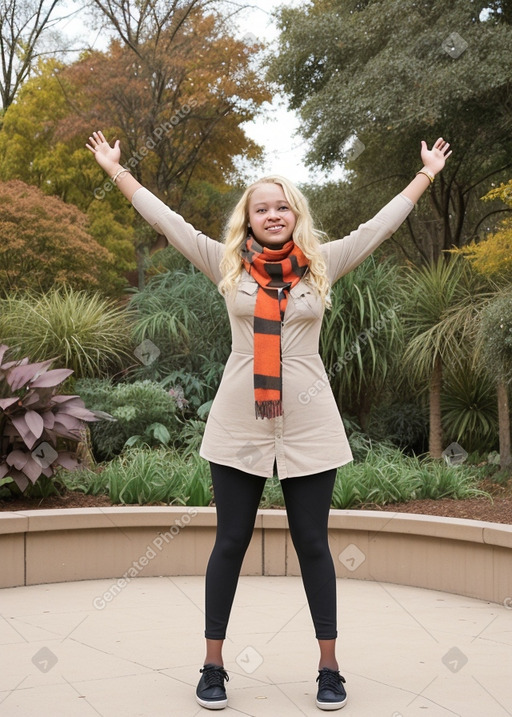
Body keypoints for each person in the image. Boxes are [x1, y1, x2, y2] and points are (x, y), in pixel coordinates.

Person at [86, 131, 451, 711]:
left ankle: (329, 668)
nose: (273, 214)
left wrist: (425, 175)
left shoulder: (322, 264)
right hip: (240, 423)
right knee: (230, 541)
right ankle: (212, 665)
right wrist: (117, 171)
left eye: (282, 206)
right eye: (262, 207)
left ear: (295, 214)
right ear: (249, 220)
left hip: (309, 425)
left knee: (313, 543)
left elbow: (379, 227)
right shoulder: (225, 263)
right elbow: (169, 224)